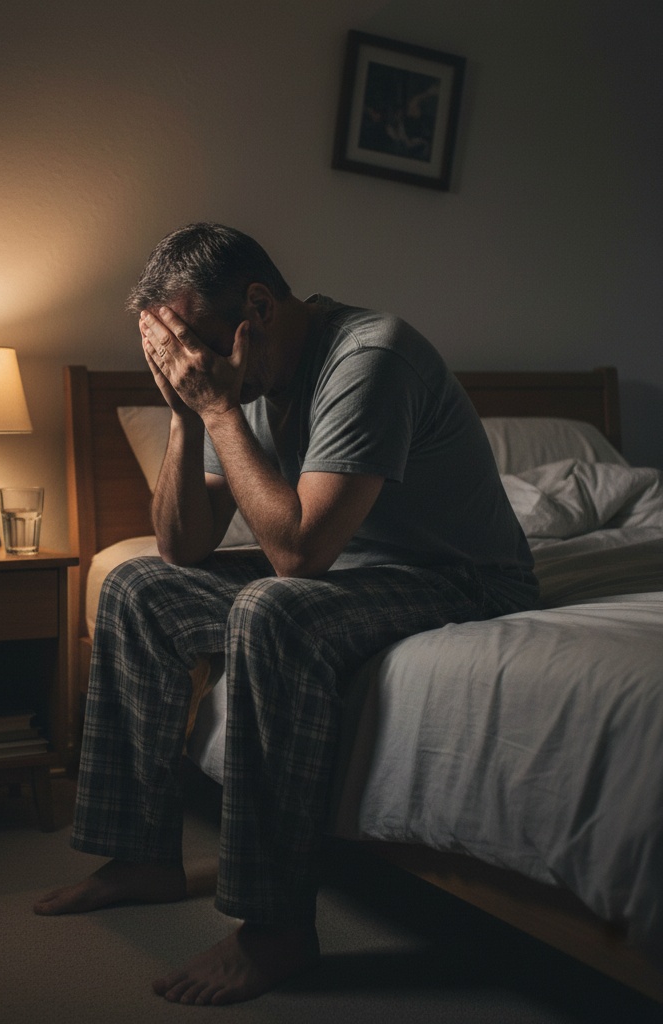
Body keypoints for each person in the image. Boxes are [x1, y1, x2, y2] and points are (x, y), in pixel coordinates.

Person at [34, 223, 538, 1005]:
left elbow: (298, 559)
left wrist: (221, 412)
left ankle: (276, 928)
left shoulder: (371, 356)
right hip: (355, 569)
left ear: (259, 306)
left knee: (274, 609)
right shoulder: (233, 380)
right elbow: (181, 551)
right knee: (137, 588)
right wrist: (183, 413)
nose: (193, 364)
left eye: (196, 344)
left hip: (463, 577)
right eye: (177, 353)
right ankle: (141, 857)